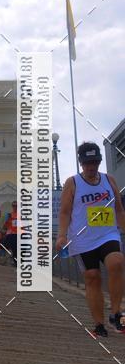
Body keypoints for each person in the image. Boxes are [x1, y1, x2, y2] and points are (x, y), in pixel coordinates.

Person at [56, 142, 125, 338]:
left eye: (95, 162)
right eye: (87, 163)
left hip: (107, 234)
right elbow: (65, 212)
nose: (91, 167)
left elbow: (119, 210)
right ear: (81, 163)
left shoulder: (109, 180)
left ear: (100, 162)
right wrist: (61, 235)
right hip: (82, 239)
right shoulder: (73, 182)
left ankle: (116, 313)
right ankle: (99, 324)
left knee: (117, 262)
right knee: (92, 277)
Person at [0, 201, 19, 265]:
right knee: (4, 244)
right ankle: (3, 257)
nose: (15, 207)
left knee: (15, 249)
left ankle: (15, 261)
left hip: (17, 234)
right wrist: (3, 230)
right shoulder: (9, 215)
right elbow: (5, 224)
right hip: (10, 234)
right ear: (12, 206)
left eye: (16, 206)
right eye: (13, 206)